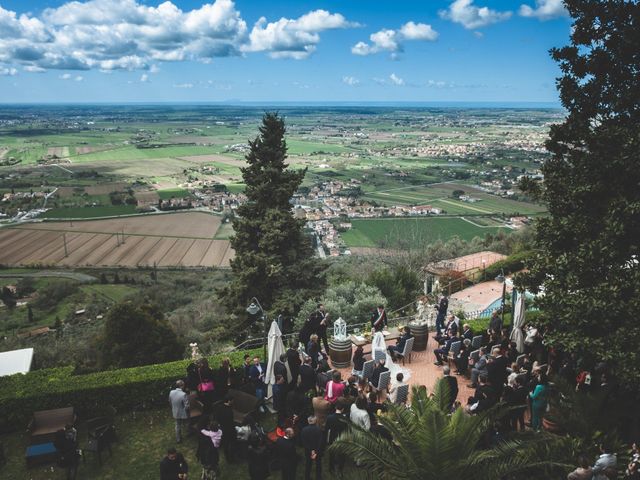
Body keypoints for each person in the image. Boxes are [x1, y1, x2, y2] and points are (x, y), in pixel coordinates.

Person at [325, 398, 348, 475]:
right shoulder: (345, 419)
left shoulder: (329, 417)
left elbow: (326, 428)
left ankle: (331, 468)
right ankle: (340, 469)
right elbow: (346, 430)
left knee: (332, 454)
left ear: (335, 408)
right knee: (341, 455)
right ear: (343, 409)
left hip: (332, 437)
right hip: (342, 438)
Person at [215, 395, 236, 464]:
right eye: (232, 400)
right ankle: (232, 458)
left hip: (222, 429)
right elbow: (231, 422)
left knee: (225, 444)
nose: (233, 401)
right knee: (232, 443)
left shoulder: (219, 407)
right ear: (229, 401)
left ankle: (227, 457)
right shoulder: (229, 411)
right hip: (229, 429)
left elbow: (217, 418)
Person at [301, 416, 323, 480]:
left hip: (308, 451)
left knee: (308, 464)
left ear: (308, 421)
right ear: (315, 421)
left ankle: (307, 477)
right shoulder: (319, 430)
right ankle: (318, 478)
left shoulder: (304, 430)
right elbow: (320, 442)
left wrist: (311, 451)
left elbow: (304, 443)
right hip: (318, 451)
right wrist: (315, 452)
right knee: (318, 464)